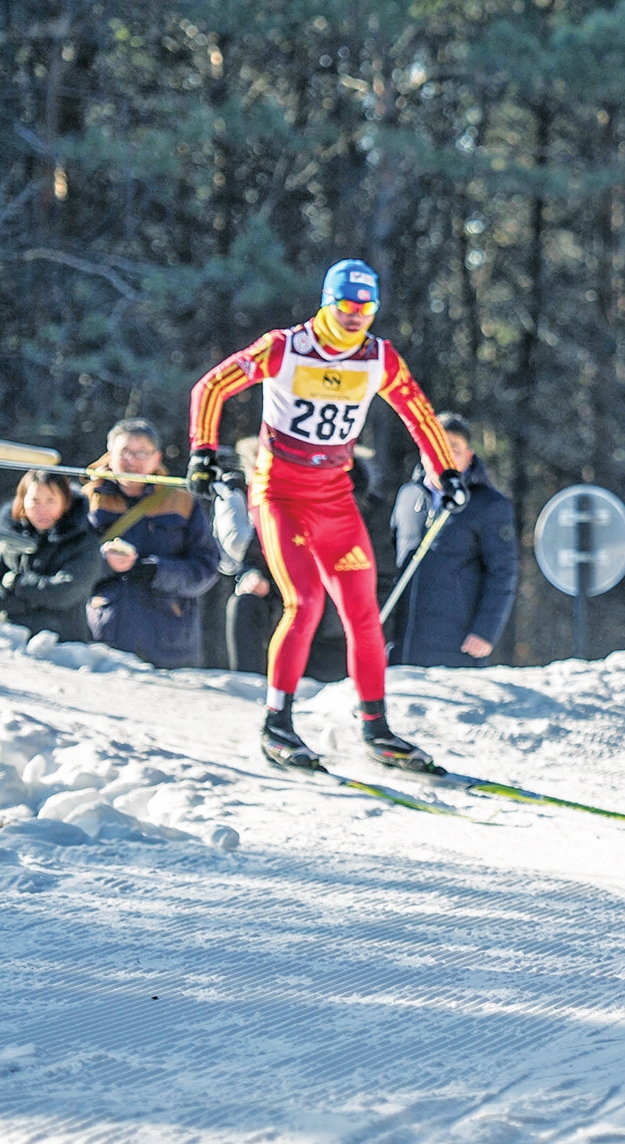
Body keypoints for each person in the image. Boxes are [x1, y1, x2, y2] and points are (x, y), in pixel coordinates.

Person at [186, 259, 465, 772]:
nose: (358, 316)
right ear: (327, 302)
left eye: (367, 307)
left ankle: (376, 729)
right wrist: (202, 451)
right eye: (348, 306)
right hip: (280, 494)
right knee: (306, 603)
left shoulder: (378, 357)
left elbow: (419, 414)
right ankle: (276, 723)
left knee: (364, 614)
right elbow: (210, 388)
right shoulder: (284, 347)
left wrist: (446, 474)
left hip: (334, 499)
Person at [85, 419, 221, 669]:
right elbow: (67, 562)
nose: (132, 460)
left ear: (157, 457)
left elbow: (207, 568)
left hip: (170, 641)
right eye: (124, 452)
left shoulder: (183, 501)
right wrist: (103, 563)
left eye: (141, 453)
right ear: (110, 455)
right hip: (102, 637)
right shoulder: (87, 500)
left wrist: (159, 572)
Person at [387, 413, 517, 668]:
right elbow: (388, 560)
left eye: (453, 450)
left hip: (457, 646)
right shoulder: (407, 495)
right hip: (402, 646)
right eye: (435, 448)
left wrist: (485, 631)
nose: (443, 457)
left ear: (468, 456)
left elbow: (503, 572)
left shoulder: (489, 504)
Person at [218, 438, 349, 681]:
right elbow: (257, 550)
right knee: (243, 604)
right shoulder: (273, 499)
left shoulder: (352, 499)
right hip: (282, 605)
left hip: (332, 622)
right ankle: (249, 687)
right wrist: (254, 575)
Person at [0, 470, 102, 641]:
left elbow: (66, 593)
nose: (42, 510)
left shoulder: (85, 541)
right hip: (10, 638)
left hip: (62, 644)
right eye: (34, 501)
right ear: (22, 502)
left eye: (51, 501)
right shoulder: (13, 536)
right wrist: (33, 602)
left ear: (65, 502)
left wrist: (18, 583)